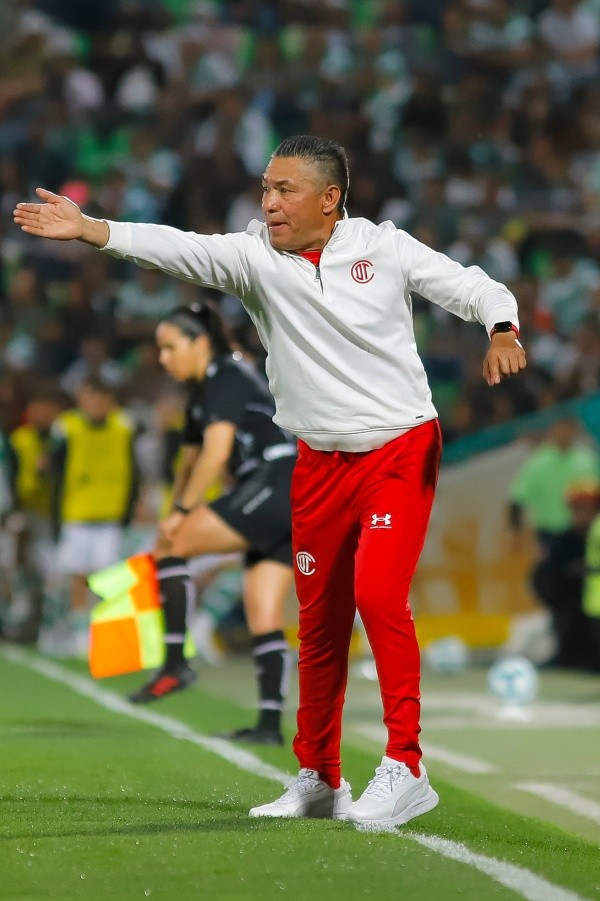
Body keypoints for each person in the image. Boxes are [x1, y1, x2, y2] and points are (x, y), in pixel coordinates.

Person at [13, 134, 526, 830]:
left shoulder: (386, 247)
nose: (269, 201)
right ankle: (318, 775)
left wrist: (501, 327)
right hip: (317, 460)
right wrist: (92, 229)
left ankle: (406, 765)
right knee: (315, 626)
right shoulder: (254, 257)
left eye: (284, 189)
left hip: (398, 449)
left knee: (377, 593)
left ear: (329, 198)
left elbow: (472, 284)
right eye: (265, 187)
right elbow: (175, 245)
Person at [127, 302, 296, 748]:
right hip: (289, 497)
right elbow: (189, 459)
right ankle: (268, 724)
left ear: (199, 343)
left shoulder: (226, 375)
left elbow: (216, 453)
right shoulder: (203, 391)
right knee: (263, 611)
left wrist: (179, 517)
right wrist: (174, 507)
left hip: (273, 483)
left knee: (170, 548)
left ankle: (174, 663)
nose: (162, 358)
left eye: (169, 348)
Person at [50, 376, 138, 655]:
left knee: (107, 578)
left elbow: (134, 472)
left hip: (110, 517)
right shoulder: (68, 428)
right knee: (77, 576)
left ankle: (104, 633)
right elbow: (56, 472)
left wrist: (129, 510)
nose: (97, 406)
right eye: (91, 399)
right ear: (82, 400)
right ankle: (78, 634)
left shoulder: (124, 426)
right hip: (77, 515)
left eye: (102, 400)